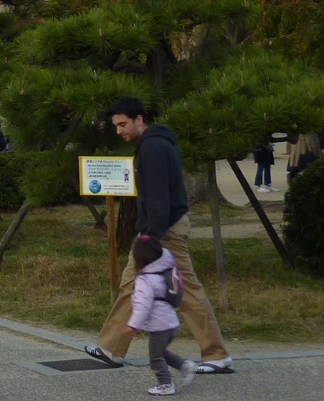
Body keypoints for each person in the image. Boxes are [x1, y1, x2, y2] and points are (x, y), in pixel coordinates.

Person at [85, 97, 232, 375]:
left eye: (123, 124)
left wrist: (149, 237)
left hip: (164, 232)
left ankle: (216, 355)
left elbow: (159, 197)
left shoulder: (152, 147)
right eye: (116, 126)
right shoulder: (153, 144)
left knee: (186, 291)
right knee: (132, 286)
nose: (120, 131)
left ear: (139, 119)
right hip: (158, 229)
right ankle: (111, 348)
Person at [124, 235, 196, 396]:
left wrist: (132, 325)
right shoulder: (164, 270)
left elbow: (143, 306)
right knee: (161, 352)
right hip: (170, 323)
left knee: (155, 357)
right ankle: (185, 365)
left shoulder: (145, 280)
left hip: (159, 326)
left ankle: (165, 384)